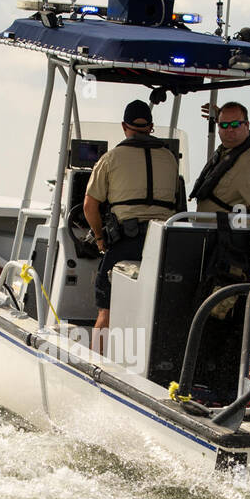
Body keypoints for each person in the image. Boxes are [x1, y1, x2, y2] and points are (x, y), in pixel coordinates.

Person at [83, 99, 180, 351]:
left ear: (125, 127)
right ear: (150, 127)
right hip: (164, 244)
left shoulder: (110, 158)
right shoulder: (170, 158)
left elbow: (89, 207)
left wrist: (99, 238)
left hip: (127, 243)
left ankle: (97, 366)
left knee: (106, 309)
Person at [190, 101, 250, 224]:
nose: (229, 129)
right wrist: (222, 117)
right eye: (224, 125)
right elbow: (231, 125)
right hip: (208, 230)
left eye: (235, 124)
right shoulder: (229, 149)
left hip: (227, 236)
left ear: (247, 125)